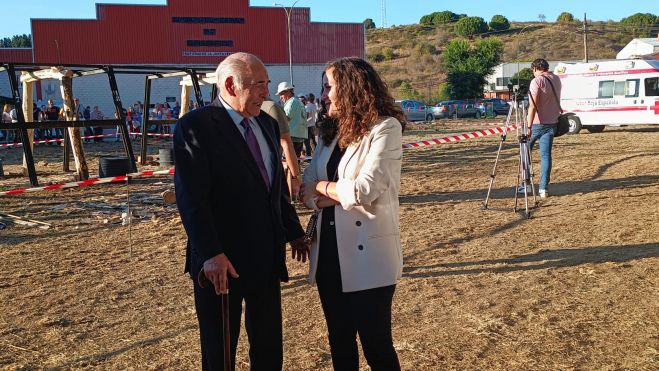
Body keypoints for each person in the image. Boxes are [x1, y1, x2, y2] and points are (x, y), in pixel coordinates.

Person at [174, 52, 308, 371]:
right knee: (220, 352)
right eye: (259, 84)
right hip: (222, 264)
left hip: (265, 256)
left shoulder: (266, 123)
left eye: (267, 84)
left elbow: (272, 187)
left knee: (268, 346)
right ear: (232, 85)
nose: (266, 92)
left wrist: (293, 231)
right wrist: (211, 253)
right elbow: (191, 198)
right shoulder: (196, 127)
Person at [299, 57, 406, 371]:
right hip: (329, 253)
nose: (324, 94)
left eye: (329, 86)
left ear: (350, 88)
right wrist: (327, 194)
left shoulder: (386, 128)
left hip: (368, 254)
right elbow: (306, 189)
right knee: (339, 342)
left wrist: (322, 188)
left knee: (377, 347)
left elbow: (365, 190)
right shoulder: (330, 133)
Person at [526, 58, 562, 198]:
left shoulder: (537, 81)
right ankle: (543, 188)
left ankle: (526, 184)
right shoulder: (557, 79)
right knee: (546, 156)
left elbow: (533, 105)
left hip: (537, 123)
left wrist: (528, 126)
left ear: (535, 68)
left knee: (525, 154)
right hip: (552, 123)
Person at [261, 97, 301, 199]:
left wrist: (294, 177)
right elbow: (286, 143)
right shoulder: (273, 107)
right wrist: (295, 177)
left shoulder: (270, 107)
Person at [276, 82, 307, 158]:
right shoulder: (299, 102)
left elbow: (285, 119)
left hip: (291, 137)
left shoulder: (291, 102)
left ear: (288, 92)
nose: (280, 97)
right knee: (295, 161)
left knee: (288, 162)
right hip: (299, 137)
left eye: (281, 94)